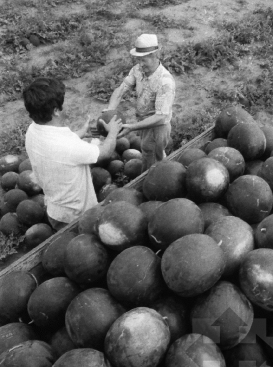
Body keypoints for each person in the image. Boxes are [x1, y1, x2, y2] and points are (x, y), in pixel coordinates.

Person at [23, 77, 123, 231]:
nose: (67, 103)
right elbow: (104, 153)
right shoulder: (68, 146)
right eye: (64, 100)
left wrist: (83, 132)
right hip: (76, 217)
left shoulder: (32, 131)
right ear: (56, 111)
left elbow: (61, 146)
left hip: (55, 212)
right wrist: (113, 133)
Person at [105, 33, 175, 172]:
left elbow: (160, 117)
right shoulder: (137, 70)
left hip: (157, 127)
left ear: (156, 55)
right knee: (149, 152)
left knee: (152, 157)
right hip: (143, 123)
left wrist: (132, 127)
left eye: (144, 60)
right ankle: (162, 169)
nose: (140, 64)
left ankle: (153, 180)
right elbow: (120, 90)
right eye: (139, 60)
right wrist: (109, 112)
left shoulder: (165, 82)